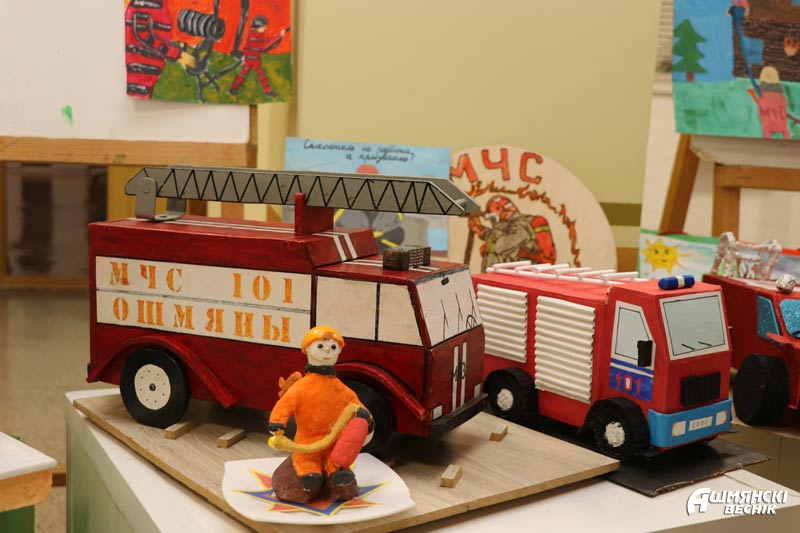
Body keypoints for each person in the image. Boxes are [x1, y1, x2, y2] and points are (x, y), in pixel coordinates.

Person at [268, 326, 373, 502]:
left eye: (333, 347)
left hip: (333, 441)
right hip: (306, 440)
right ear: (307, 349)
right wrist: (277, 422)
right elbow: (285, 404)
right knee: (306, 459)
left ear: (338, 352)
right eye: (320, 346)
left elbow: (354, 403)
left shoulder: (339, 387)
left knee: (335, 460)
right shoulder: (301, 387)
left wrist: (366, 418)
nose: (327, 351)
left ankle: (337, 475)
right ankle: (309, 475)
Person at [124, 0, 196, 99]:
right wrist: (178, 55)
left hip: (148, 70)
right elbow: (146, 37)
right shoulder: (144, 3)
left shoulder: (160, 4)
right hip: (140, 70)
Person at [468, 195, 556, 271]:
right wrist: (479, 229)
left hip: (521, 278)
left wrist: (482, 233)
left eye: (493, 216)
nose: (493, 221)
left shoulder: (521, 225)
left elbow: (501, 245)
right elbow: (501, 236)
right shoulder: (509, 226)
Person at [229, 16, 289, 97]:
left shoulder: (255, 33)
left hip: (253, 60)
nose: (265, 28)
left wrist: (279, 35)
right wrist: (279, 35)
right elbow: (265, 43)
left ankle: (233, 89)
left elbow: (264, 43)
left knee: (248, 75)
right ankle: (268, 91)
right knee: (256, 76)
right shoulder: (255, 35)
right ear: (258, 26)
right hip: (251, 60)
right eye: (264, 26)